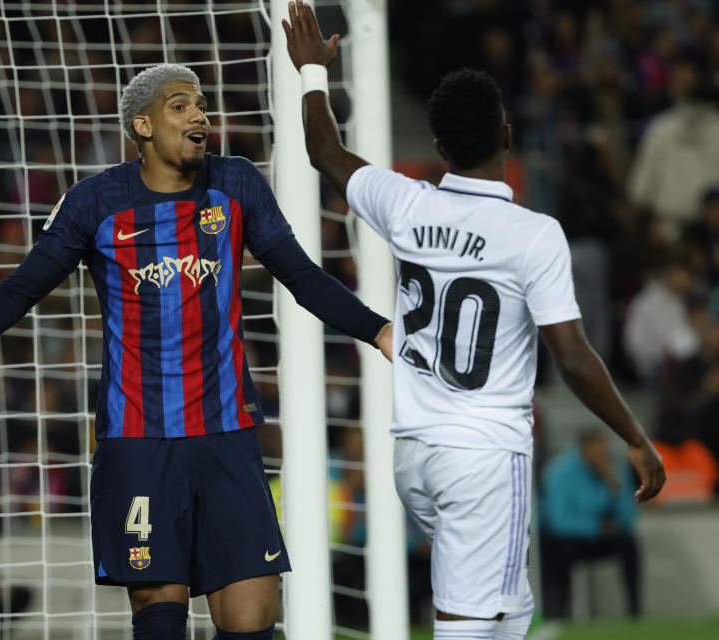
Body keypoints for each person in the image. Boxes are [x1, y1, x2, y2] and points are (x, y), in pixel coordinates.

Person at [0, 63, 392, 640]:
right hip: (138, 441)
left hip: (227, 435)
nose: (200, 115)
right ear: (142, 124)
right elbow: (20, 291)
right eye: (180, 105)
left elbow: (302, 276)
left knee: (252, 619)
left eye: (202, 105)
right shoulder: (95, 202)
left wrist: (380, 331)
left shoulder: (236, 183)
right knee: (160, 613)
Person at [282, 3, 665, 639]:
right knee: (467, 626)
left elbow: (325, 150)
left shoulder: (404, 202)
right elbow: (571, 356)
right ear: (507, 136)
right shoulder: (533, 235)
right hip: (482, 456)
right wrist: (634, 434)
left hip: (413, 456)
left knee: (510, 611)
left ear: (437, 148)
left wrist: (314, 74)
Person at [539, 429, 640, 618]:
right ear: (583, 450)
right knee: (562, 549)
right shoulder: (558, 472)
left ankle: (635, 610)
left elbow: (628, 518)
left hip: (601, 535)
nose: (603, 456)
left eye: (605, 451)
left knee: (629, 543)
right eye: (598, 451)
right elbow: (558, 521)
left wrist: (613, 485)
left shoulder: (615, 470)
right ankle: (560, 611)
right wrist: (596, 528)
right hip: (566, 539)